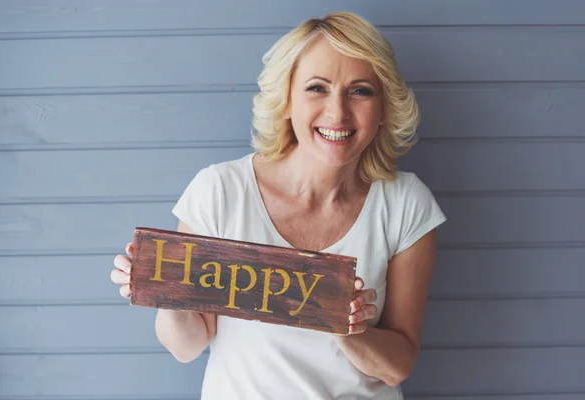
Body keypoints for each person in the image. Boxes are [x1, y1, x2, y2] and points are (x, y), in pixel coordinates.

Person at [111, 11, 446, 399]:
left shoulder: (406, 204)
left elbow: (397, 365)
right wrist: (166, 293)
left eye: (360, 91)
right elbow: (187, 346)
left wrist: (348, 329)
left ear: (384, 107)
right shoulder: (221, 191)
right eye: (317, 88)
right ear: (286, 100)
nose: (337, 113)